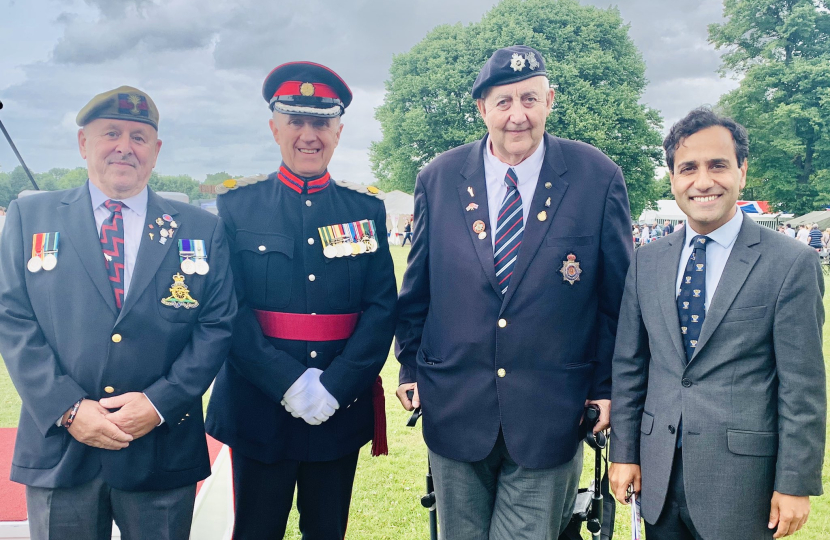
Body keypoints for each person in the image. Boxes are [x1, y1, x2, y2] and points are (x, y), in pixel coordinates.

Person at [394, 45, 632, 539]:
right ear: (482, 108)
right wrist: (410, 366)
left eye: (529, 99)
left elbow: (617, 300)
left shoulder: (597, 176)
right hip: (455, 403)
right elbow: (418, 287)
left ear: (550, 100)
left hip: (552, 410)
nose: (517, 115)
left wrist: (606, 386)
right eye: (503, 102)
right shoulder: (438, 178)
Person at [0, 86, 236, 540]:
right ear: (83, 142)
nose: (124, 147)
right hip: (61, 449)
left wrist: (158, 403)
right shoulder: (31, 216)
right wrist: (68, 408)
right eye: (111, 133)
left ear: (156, 150)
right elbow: (12, 317)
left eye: (138, 137)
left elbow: (217, 325)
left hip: (160, 446)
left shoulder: (200, 228)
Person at [610, 107, 825, 540]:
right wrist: (625, 452)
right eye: (688, 168)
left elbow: (802, 385)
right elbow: (631, 366)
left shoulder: (790, 263)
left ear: (742, 172)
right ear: (673, 179)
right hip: (658, 474)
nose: (703, 181)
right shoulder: (647, 261)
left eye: (718, 165)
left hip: (742, 484)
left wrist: (794, 482)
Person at [205, 61, 397, 540]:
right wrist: (287, 382)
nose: (309, 135)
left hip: (337, 407)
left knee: (327, 532)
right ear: (275, 128)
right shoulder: (238, 205)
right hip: (259, 404)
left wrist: (336, 385)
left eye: (322, 123)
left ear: (338, 132)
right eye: (296, 121)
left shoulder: (365, 208)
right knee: (255, 531)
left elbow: (380, 309)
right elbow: (227, 308)